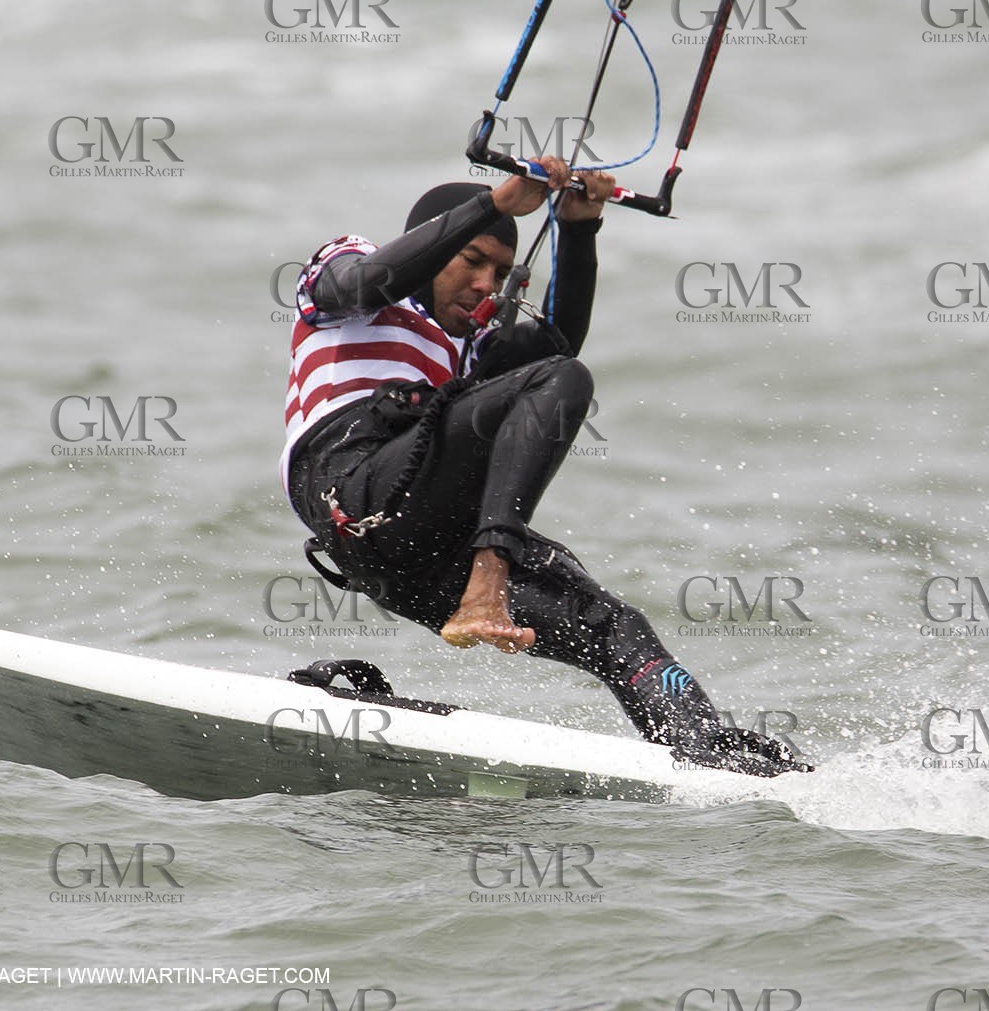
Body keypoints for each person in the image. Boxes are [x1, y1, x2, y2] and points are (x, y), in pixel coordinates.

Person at [279, 159, 808, 775]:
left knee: (612, 626)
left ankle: (709, 758)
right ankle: (490, 576)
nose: (486, 284)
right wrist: (493, 207)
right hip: (350, 487)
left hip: (419, 555)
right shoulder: (347, 274)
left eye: (501, 273)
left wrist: (578, 230)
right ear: (437, 239)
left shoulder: (470, 345)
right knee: (558, 379)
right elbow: (366, 281)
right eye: (471, 261)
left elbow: (557, 347)